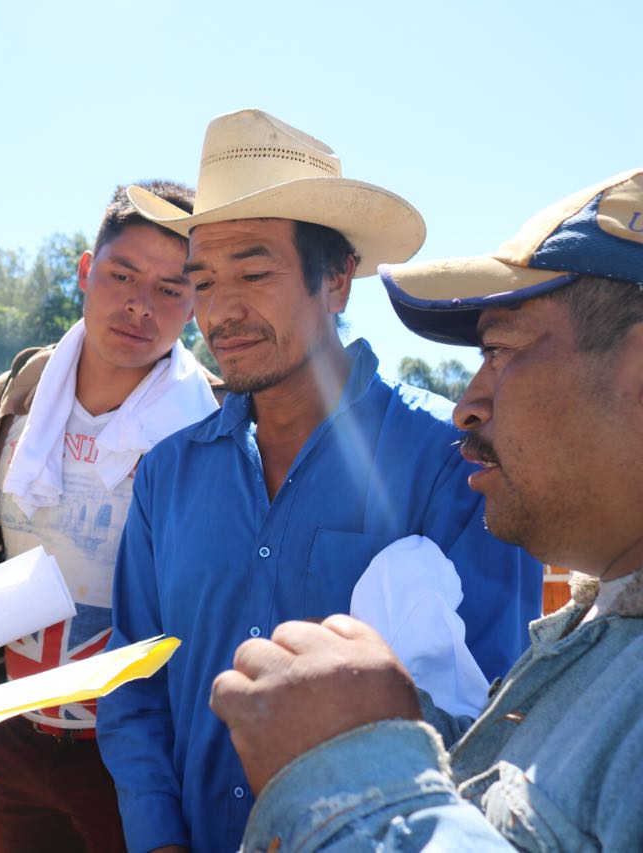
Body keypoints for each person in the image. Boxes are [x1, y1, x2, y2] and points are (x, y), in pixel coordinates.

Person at [96, 109, 543, 852]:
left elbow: (504, 713)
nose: (221, 310)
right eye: (202, 280)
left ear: (335, 280)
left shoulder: (453, 463)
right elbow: (135, 689)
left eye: (254, 271)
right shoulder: (165, 479)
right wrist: (160, 837)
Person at [211, 168, 643, 852]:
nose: (467, 404)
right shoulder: (598, 628)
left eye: (499, 350)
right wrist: (403, 724)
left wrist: (353, 765)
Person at [0, 181, 225, 853]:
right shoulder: (12, 398)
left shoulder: (214, 431)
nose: (140, 305)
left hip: (137, 762)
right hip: (16, 739)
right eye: (123, 274)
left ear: (196, 300)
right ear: (86, 270)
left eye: (172, 288)